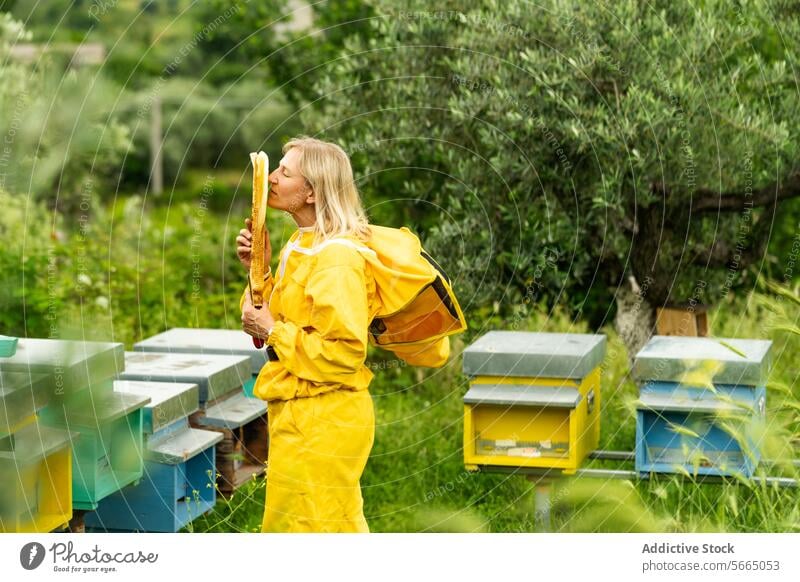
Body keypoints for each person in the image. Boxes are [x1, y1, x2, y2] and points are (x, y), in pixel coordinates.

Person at [237, 136, 386, 532]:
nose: (271, 178)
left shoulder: (337, 258)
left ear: (312, 193)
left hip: (324, 417)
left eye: (285, 172)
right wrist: (260, 269)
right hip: (301, 410)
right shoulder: (301, 244)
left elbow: (342, 355)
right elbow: (274, 317)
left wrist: (271, 331)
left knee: (310, 530)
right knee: (322, 526)